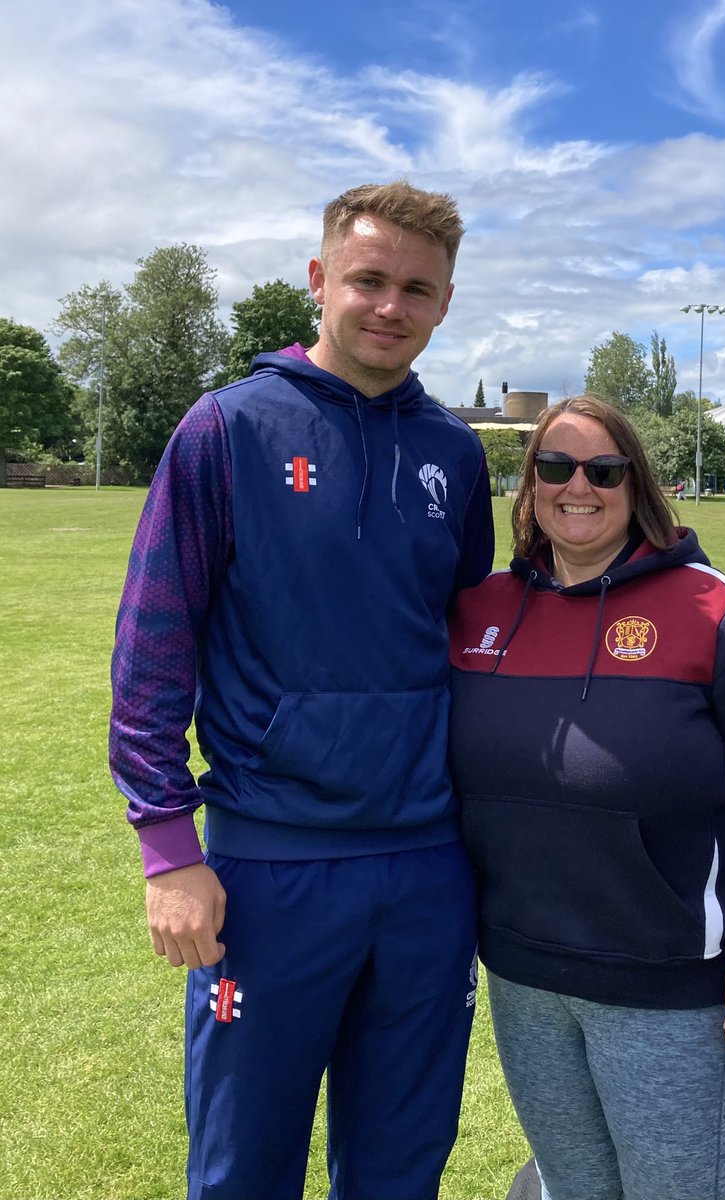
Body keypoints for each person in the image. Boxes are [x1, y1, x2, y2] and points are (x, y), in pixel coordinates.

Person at [110, 180, 494, 1200]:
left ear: (445, 304)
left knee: (402, 1164)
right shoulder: (225, 429)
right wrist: (167, 850)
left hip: (426, 870)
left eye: (418, 289)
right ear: (319, 279)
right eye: (367, 279)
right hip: (270, 871)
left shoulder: (455, 456)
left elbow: (465, 645)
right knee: (244, 1166)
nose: (389, 306)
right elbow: (153, 650)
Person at [448, 395, 725, 1200]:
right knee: (574, 1187)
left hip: (670, 985)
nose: (576, 486)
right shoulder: (481, 610)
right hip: (525, 977)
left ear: (636, 483)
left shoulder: (713, 610)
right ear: (529, 485)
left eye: (603, 469)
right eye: (554, 466)